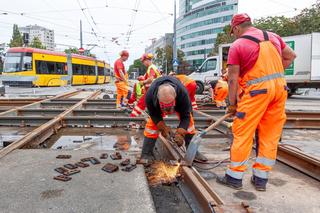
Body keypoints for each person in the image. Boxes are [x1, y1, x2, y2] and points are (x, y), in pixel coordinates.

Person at [216, 13, 296, 191]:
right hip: (280, 90)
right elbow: (291, 56)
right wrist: (272, 75)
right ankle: (261, 180)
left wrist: (231, 104)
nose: (234, 35)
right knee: (270, 134)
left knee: (243, 132)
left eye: (233, 32)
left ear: (236, 28)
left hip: (257, 93)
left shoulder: (238, 44)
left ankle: (234, 177)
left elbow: (232, 79)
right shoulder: (273, 36)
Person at [141, 76, 208, 162]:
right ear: (158, 98)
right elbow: (154, 114)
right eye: (164, 107)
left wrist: (181, 132)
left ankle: (192, 151)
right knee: (151, 126)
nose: (167, 111)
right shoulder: (149, 96)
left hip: (179, 102)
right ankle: (146, 153)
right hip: (156, 106)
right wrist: (162, 127)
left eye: (169, 107)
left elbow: (186, 115)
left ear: (175, 97)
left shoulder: (183, 94)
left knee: (190, 124)